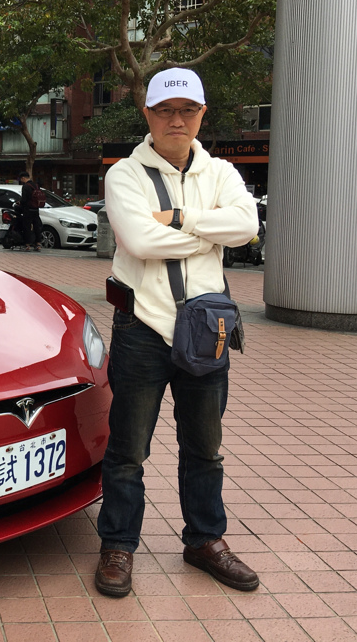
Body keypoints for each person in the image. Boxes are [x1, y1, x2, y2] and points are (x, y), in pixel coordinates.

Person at [94, 67, 260, 598]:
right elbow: (140, 241)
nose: (177, 119)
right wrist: (208, 232)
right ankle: (118, 545)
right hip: (142, 327)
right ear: (146, 114)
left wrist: (178, 219)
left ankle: (205, 540)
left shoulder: (222, 172)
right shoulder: (125, 174)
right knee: (127, 450)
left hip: (206, 327)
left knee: (205, 447)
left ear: (202, 115)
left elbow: (247, 227)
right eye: (165, 110)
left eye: (188, 110)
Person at [18, 171, 43, 252]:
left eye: (21, 179)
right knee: (37, 226)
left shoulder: (25, 187)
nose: (21, 181)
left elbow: (24, 199)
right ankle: (38, 244)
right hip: (36, 209)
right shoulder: (36, 185)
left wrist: (20, 203)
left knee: (27, 227)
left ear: (23, 178)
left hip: (28, 210)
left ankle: (27, 245)